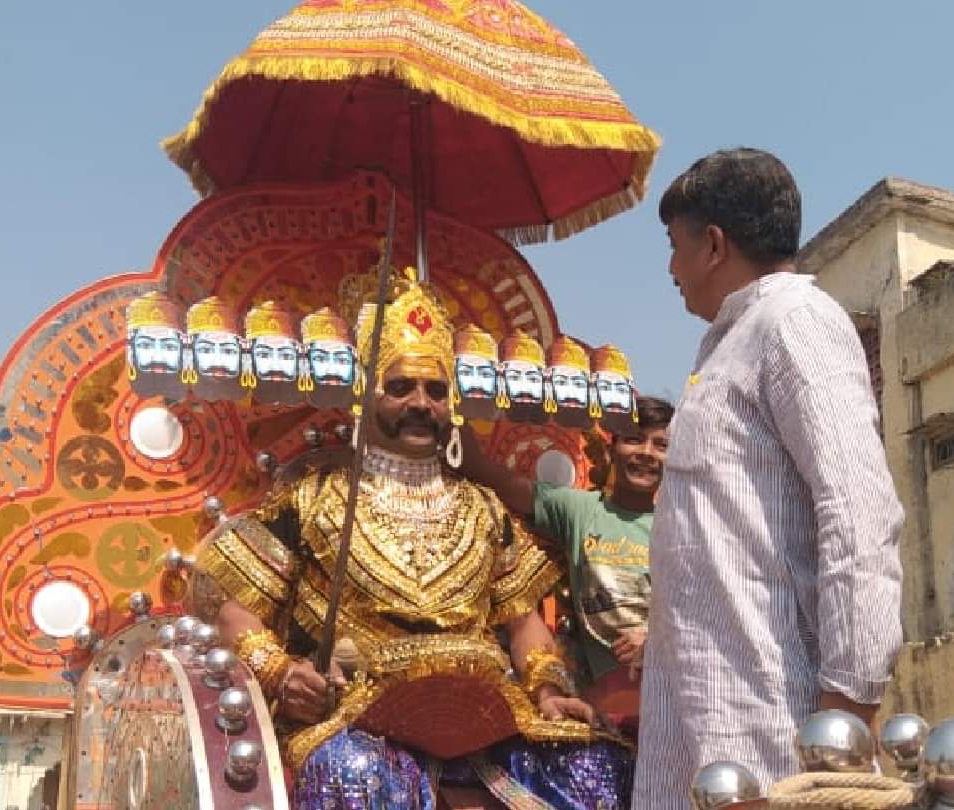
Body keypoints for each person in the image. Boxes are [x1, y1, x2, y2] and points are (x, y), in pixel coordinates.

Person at [190, 268, 633, 810]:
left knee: (596, 764)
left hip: (490, 720)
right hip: (358, 716)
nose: (421, 403)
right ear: (365, 397)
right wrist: (283, 675)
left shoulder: (483, 507)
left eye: (435, 390)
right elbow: (237, 611)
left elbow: (524, 624)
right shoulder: (313, 498)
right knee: (354, 773)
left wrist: (547, 689)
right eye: (400, 388)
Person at [633, 148, 904, 805]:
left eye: (674, 246)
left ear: (714, 245)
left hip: (775, 725)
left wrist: (842, 722)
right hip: (700, 716)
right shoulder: (725, 346)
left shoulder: (796, 324)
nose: (670, 268)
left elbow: (860, 516)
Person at [461, 395, 674, 729]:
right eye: (634, 439)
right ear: (612, 446)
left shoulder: (682, 526)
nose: (646, 453)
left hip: (671, 696)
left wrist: (656, 639)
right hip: (605, 706)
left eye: (661, 445)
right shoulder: (578, 511)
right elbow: (493, 477)